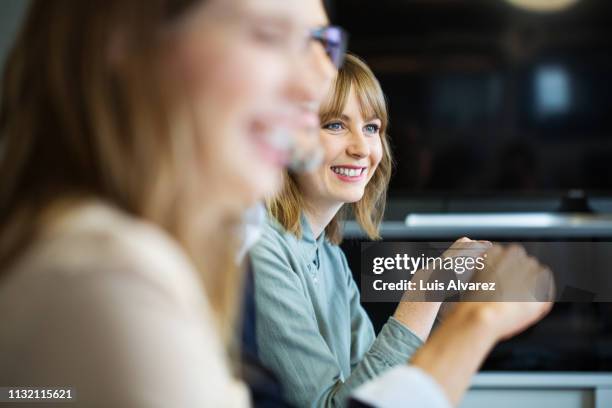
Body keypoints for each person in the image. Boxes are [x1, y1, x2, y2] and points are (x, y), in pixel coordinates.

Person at [0, 0, 340, 406]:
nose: (318, 85)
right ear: (126, 35)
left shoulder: (161, 257)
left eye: (321, 44)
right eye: (268, 35)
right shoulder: (108, 272)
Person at [250, 54, 553, 407]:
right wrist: (424, 295)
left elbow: (375, 393)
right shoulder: (261, 249)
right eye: (335, 125)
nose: (361, 148)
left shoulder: (329, 255)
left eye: (371, 128)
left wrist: (438, 310)